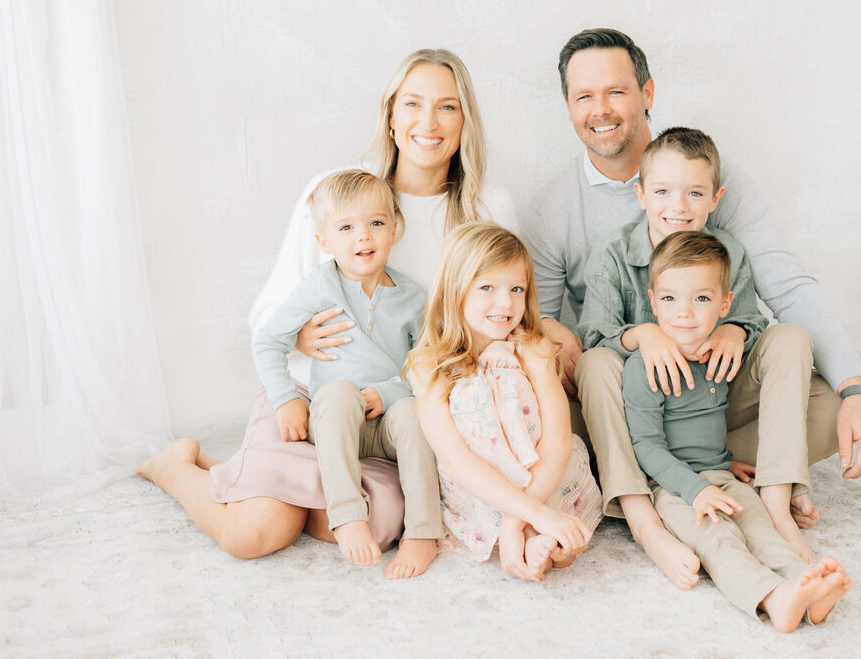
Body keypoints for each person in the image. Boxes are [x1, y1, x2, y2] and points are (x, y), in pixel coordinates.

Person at [521, 28, 861, 588]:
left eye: (616, 91)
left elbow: (780, 286)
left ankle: (761, 484)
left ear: (647, 92)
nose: (601, 110)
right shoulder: (560, 214)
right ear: (568, 107)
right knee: (581, 382)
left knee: (814, 386)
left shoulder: (708, 174)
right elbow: (545, 325)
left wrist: (855, 388)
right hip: (632, 398)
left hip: (715, 390)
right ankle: (651, 505)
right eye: (584, 96)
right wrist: (630, 339)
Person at [137, 49, 516, 572]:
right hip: (311, 398)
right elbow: (269, 317)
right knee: (256, 531)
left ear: (465, 119)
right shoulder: (340, 193)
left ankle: (249, 476)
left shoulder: (484, 209)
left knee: (377, 526)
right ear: (389, 115)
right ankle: (175, 468)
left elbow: (501, 319)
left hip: (392, 410)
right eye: (412, 104)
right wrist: (301, 339)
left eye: (447, 107)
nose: (428, 122)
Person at [580, 127, 816, 563]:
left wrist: (737, 330)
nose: (678, 207)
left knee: (793, 339)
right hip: (648, 418)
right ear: (641, 195)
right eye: (664, 191)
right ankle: (639, 508)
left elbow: (750, 319)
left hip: (715, 401)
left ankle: (775, 496)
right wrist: (643, 334)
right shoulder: (611, 253)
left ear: (715, 198)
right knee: (595, 362)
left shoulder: (729, 250)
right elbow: (594, 335)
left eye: (694, 193)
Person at [622, 231, 851, 631]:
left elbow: (707, 426)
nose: (685, 312)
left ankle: (806, 586)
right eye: (671, 299)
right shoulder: (643, 368)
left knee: (760, 529)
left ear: (726, 303)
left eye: (702, 299)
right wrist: (695, 489)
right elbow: (646, 446)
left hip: (723, 476)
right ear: (653, 302)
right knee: (719, 540)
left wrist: (728, 464)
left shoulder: (719, 358)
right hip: (674, 489)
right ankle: (772, 598)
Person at [252, 169, 443, 572]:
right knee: (338, 393)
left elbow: (425, 365)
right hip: (336, 424)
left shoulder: (414, 298)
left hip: (388, 423)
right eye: (346, 227)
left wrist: (390, 394)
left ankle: (424, 533)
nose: (364, 236)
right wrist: (286, 400)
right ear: (324, 240)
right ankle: (348, 516)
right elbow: (269, 340)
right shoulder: (320, 286)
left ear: (395, 227)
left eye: (376, 223)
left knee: (414, 412)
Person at [408, 223, 602, 582]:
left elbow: (557, 442)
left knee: (554, 525)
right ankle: (538, 536)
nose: (506, 303)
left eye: (517, 289)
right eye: (487, 288)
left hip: (546, 477)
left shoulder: (534, 347)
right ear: (455, 291)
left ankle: (541, 538)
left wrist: (520, 520)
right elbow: (455, 459)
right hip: (482, 489)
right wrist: (531, 516)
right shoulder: (428, 364)